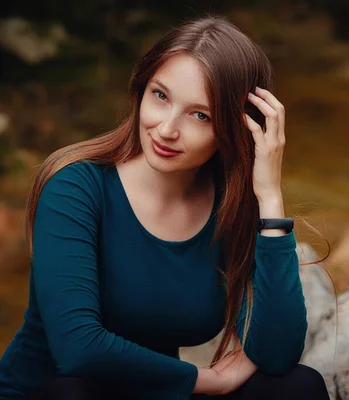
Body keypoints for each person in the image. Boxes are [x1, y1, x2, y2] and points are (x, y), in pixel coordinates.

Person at [0, 15, 330, 400]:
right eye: (161, 96)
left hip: (154, 391)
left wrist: (269, 199)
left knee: (296, 387)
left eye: (200, 115)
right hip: (56, 392)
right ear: (141, 89)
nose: (167, 128)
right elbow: (79, 349)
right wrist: (207, 379)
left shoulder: (230, 205)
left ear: (235, 130)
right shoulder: (76, 186)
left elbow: (276, 357)